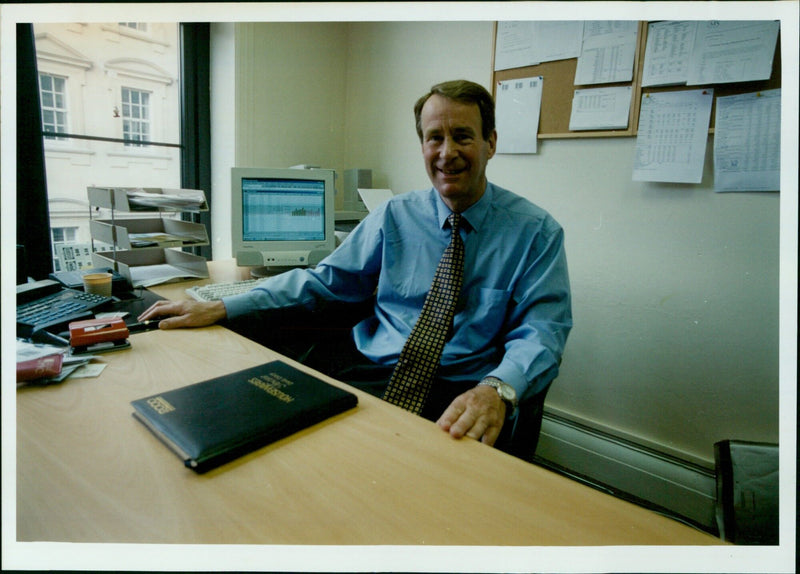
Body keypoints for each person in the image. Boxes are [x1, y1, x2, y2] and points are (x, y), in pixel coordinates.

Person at [138, 79, 572, 457]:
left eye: (463, 136)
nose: (447, 152)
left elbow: (542, 332)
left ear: (490, 142)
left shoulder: (536, 232)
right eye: (433, 137)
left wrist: (496, 390)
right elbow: (324, 281)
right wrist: (225, 308)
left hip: (458, 388)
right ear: (422, 144)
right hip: (370, 370)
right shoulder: (393, 216)